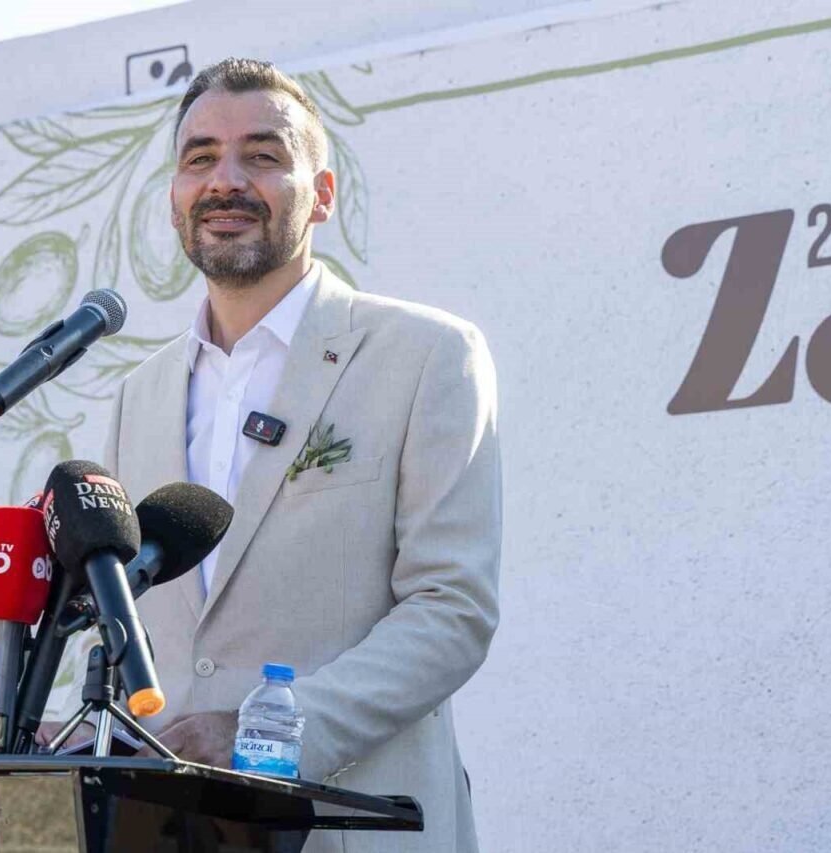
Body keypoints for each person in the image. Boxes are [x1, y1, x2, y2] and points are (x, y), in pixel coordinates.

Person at [44, 57, 501, 852]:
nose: (225, 181)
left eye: (262, 155)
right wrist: (88, 726)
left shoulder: (428, 354)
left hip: (351, 827)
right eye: (200, 158)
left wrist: (272, 734)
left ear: (321, 194)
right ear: (175, 197)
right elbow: (132, 621)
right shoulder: (140, 393)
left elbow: (451, 608)